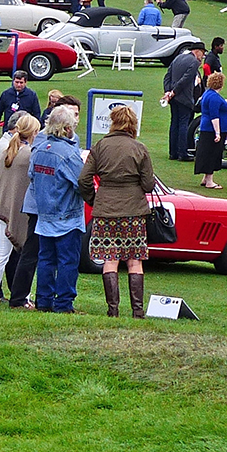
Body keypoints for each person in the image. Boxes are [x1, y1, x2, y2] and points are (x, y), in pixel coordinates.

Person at [79, 105, 155, 317]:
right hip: (134, 211)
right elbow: (149, 184)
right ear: (133, 124)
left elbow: (83, 179)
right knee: (134, 260)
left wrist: (94, 199)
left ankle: (113, 310)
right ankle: (137, 311)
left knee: (110, 259)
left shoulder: (100, 146)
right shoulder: (139, 148)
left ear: (113, 122)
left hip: (106, 211)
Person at [28, 105, 85, 313]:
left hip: (44, 214)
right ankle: (63, 304)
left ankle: (43, 301)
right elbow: (82, 183)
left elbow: (32, 177)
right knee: (67, 261)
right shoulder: (68, 153)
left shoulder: (39, 149)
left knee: (46, 260)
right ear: (67, 128)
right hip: (66, 216)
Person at [0, 112, 39, 304]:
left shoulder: (9, 150)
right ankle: (24, 295)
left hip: (3, 210)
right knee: (22, 254)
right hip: (17, 210)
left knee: (1, 254)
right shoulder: (28, 155)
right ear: (33, 132)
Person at [162, 41, 204, 162]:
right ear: (197, 51)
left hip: (173, 97)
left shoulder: (178, 58)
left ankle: (173, 152)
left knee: (174, 123)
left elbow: (167, 76)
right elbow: (186, 79)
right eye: (202, 53)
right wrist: (174, 91)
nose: (202, 56)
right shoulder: (194, 62)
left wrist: (168, 92)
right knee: (183, 124)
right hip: (183, 97)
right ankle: (182, 152)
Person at [196, 72, 227, 188]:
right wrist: (218, 133)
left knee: (208, 153)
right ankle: (210, 181)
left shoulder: (207, 94)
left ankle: (205, 178)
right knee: (212, 154)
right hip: (212, 130)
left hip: (207, 128)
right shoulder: (214, 97)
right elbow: (214, 116)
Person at [0, 71, 39, 137]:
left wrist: (35, 130)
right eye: (16, 82)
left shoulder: (32, 95)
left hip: (25, 131)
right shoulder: (6, 94)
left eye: (21, 82)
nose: (18, 85)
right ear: (13, 81)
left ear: (25, 82)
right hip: (8, 130)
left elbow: (36, 114)